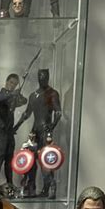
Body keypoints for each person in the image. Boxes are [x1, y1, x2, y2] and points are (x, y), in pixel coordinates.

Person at [13, 68, 61, 198]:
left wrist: (52, 126)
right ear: (38, 78)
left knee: (45, 160)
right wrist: (16, 127)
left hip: (45, 130)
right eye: (40, 76)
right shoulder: (33, 95)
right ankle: (31, 187)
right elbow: (26, 114)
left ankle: (49, 188)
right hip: (35, 131)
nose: (42, 79)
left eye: (44, 76)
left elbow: (58, 112)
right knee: (30, 160)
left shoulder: (52, 94)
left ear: (48, 77)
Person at [0, 73, 27, 195]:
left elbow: (24, 101)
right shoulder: (2, 94)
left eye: (15, 84)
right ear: (7, 82)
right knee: (0, 157)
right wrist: (12, 94)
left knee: (9, 159)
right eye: (11, 83)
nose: (12, 85)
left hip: (9, 131)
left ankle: (10, 184)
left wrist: (18, 94)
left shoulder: (11, 96)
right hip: (1, 129)